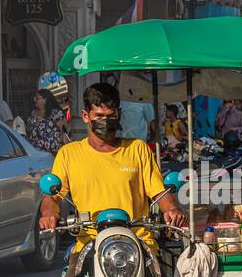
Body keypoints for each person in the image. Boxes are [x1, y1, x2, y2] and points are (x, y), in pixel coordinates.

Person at [38, 82, 186, 253]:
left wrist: (172, 209)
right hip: (90, 246)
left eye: (111, 116)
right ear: (86, 116)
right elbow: (53, 197)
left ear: (119, 114)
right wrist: (49, 214)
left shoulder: (138, 149)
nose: (105, 122)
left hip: (138, 244)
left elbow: (159, 192)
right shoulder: (69, 154)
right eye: (99, 116)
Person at [27, 88, 66, 154]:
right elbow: (28, 129)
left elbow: (63, 132)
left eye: (37, 98)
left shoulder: (56, 113)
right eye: (34, 98)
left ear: (45, 100)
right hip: (33, 150)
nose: (34, 100)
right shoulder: (33, 113)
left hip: (51, 153)